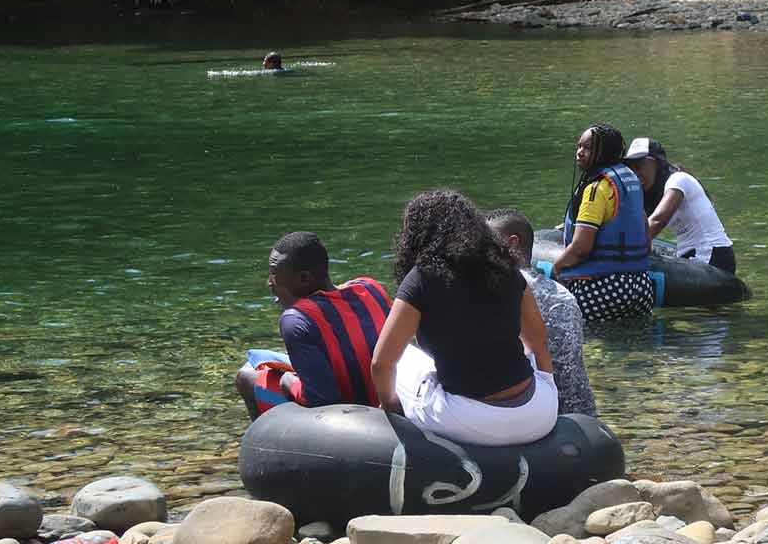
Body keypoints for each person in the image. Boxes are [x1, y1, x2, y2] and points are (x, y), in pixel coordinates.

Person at [371, 190, 558, 446]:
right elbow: (538, 341)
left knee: (403, 359)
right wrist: (548, 387)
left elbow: (380, 363)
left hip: (472, 424)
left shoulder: (421, 278)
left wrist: (390, 405)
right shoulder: (505, 267)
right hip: (539, 415)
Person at [234, 231, 391, 420]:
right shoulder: (370, 287)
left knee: (246, 376)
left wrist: (287, 381)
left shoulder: (297, 319)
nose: (269, 282)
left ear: (304, 279)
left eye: (274, 274)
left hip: (352, 420)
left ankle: (261, 447)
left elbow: (322, 400)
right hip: (390, 403)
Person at [486, 208, 598, 417]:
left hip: (541, 415)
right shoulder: (562, 293)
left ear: (511, 244)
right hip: (583, 414)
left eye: (486, 246)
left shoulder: (500, 290)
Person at [550, 125, 656, 322]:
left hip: (600, 289)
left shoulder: (595, 189)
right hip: (641, 288)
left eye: (588, 148)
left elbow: (581, 248)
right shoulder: (630, 180)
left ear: (605, 151)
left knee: (590, 345)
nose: (580, 153)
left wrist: (557, 268)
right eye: (579, 147)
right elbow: (646, 240)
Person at [624, 137, 736, 274]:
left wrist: (623, 251)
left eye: (639, 166)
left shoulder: (678, 180)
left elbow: (657, 220)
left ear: (656, 164)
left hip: (712, 255)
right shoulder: (652, 192)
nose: (635, 173)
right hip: (691, 255)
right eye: (631, 168)